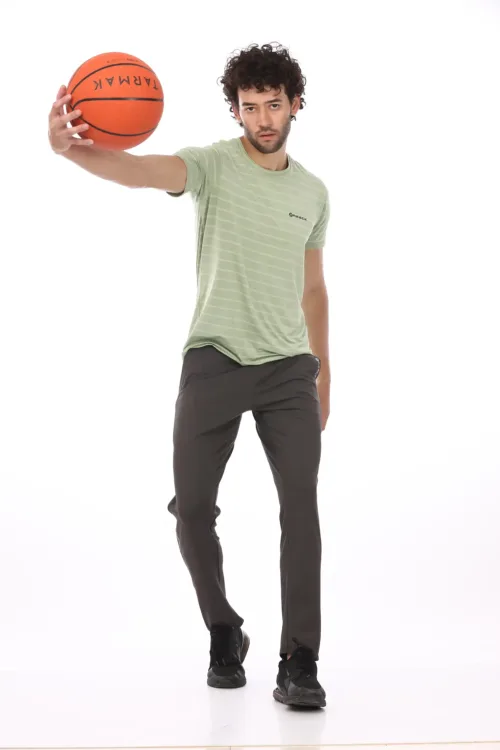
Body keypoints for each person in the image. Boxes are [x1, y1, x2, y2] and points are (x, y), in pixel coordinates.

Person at [49, 42, 331, 709]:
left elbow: (314, 289)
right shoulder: (210, 166)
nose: (262, 119)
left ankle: (300, 661)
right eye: (250, 107)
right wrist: (70, 150)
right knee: (193, 510)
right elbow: (139, 169)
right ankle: (224, 630)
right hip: (213, 360)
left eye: (273, 105)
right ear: (235, 110)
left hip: (289, 371)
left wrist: (325, 376)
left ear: (296, 104)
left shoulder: (313, 192)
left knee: (301, 509)